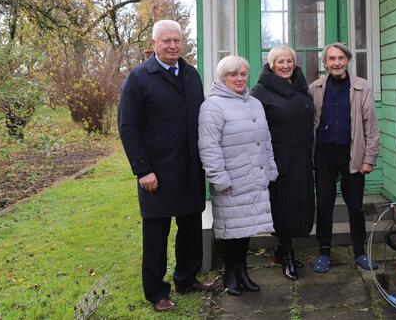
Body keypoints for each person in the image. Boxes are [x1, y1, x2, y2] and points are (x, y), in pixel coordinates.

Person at [118, 19, 211, 312]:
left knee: (191, 227)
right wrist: (142, 169)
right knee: (156, 234)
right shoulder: (139, 78)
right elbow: (128, 127)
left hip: (189, 168)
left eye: (176, 40)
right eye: (166, 41)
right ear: (154, 44)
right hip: (155, 172)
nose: (172, 46)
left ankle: (186, 277)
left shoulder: (191, 75)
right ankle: (157, 292)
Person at [198, 55, 278, 296]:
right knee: (230, 231)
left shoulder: (254, 103)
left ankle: (242, 271)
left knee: (245, 229)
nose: (240, 79)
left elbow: (266, 141)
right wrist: (219, 178)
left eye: (243, 74)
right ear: (223, 78)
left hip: (254, 177)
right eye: (233, 74)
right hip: (231, 181)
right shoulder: (212, 106)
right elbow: (208, 146)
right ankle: (230, 274)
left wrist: (270, 168)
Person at [310, 42, 380, 273]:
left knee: (355, 206)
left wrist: (369, 157)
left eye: (341, 58)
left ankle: (359, 251)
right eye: (332, 59)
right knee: (325, 204)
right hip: (324, 154)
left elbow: (371, 125)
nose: (337, 63)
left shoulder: (362, 87)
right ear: (325, 63)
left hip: (352, 154)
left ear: (347, 60)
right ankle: (323, 251)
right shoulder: (316, 88)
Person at [250, 46, 315, 281]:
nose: (285, 66)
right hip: (278, 160)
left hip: (302, 158)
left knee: (300, 208)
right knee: (283, 209)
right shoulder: (260, 91)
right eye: (280, 62)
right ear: (271, 65)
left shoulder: (301, 87)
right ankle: (286, 254)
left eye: (289, 61)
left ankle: (281, 250)